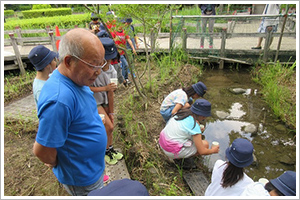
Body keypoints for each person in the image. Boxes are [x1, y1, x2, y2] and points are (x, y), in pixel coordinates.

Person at [32, 28, 108, 196]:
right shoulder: (59, 100)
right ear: (68, 61)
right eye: (93, 65)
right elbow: (42, 151)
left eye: (101, 63)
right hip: (82, 179)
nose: (99, 71)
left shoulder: (77, 79)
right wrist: (67, 163)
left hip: (91, 168)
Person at [89, 37, 123, 165]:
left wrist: (112, 113)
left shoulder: (112, 71)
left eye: (109, 58)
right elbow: (86, 89)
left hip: (105, 101)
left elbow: (111, 94)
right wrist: (104, 88)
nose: (107, 61)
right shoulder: (92, 69)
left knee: (110, 127)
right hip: (93, 102)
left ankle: (110, 148)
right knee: (107, 126)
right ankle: (103, 151)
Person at [159, 99, 219, 169]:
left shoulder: (181, 113)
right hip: (170, 151)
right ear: (203, 116)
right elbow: (202, 151)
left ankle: (177, 155)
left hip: (162, 143)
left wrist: (198, 131)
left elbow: (183, 129)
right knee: (205, 144)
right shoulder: (194, 126)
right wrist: (213, 150)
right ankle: (178, 159)